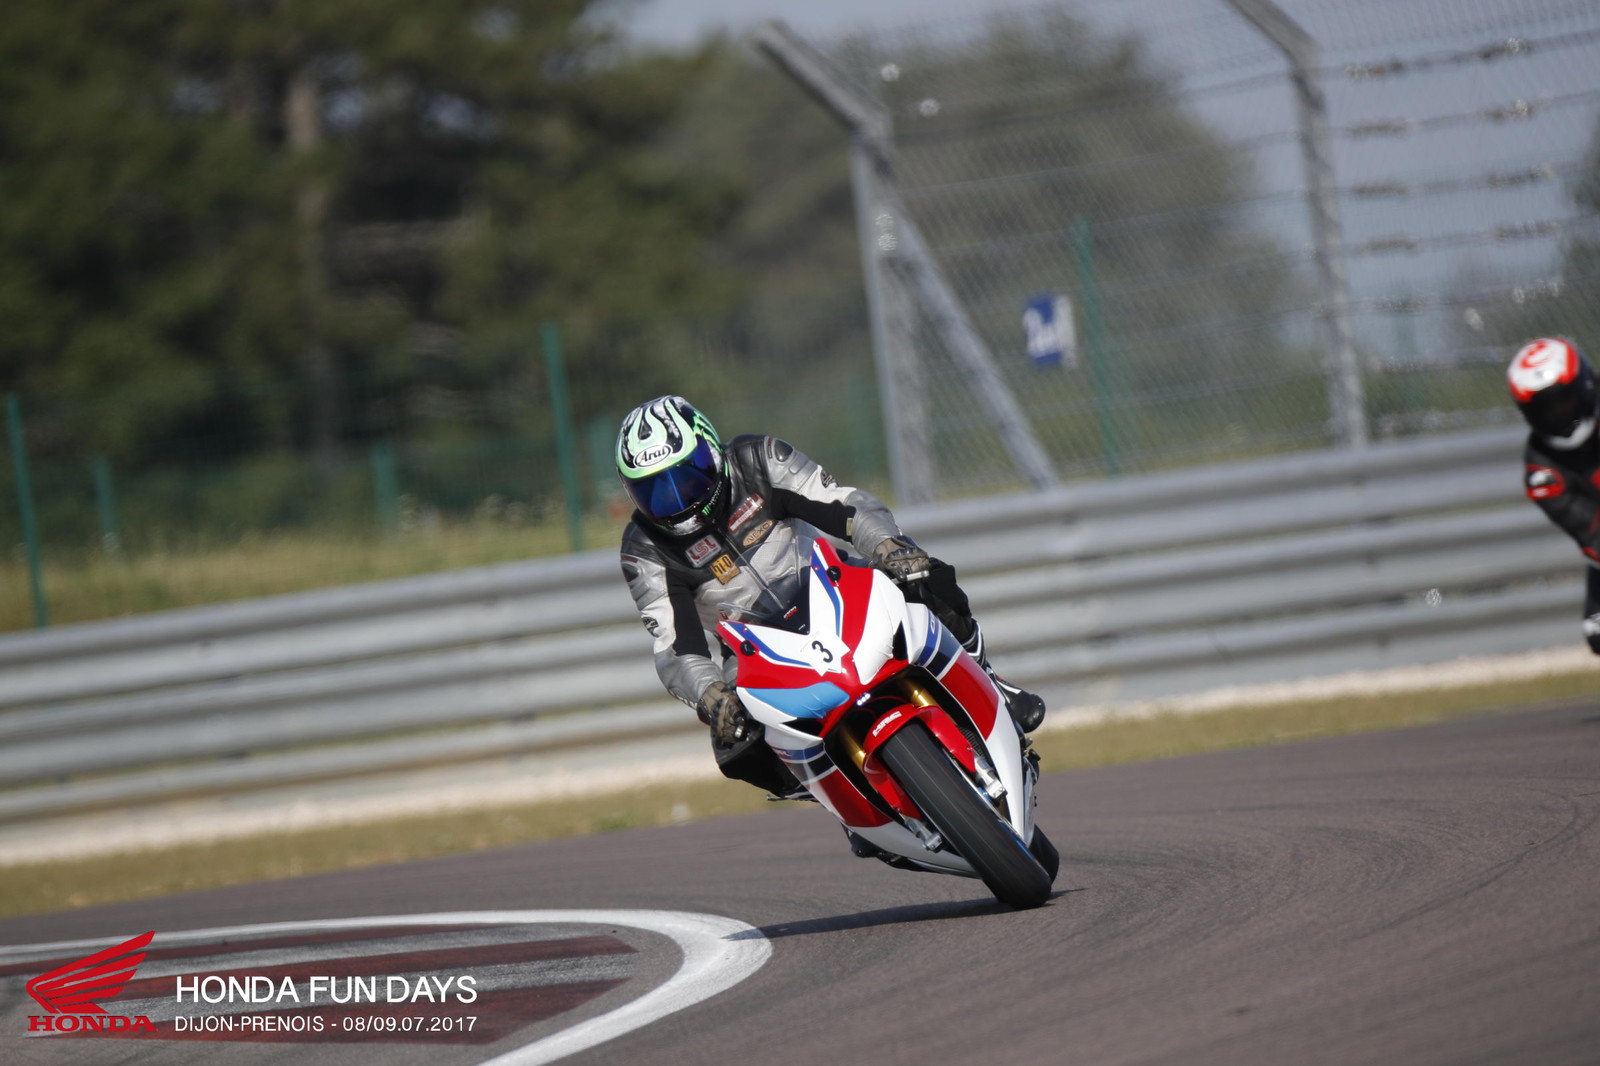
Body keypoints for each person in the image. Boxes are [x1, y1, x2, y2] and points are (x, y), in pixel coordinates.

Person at [615, 394, 1046, 801]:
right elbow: (675, 647)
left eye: (686, 477)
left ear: (711, 451)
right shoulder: (644, 549)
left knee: (924, 576)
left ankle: (990, 681)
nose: (676, 500)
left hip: (832, 585)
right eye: (654, 491)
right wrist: (710, 693)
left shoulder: (758, 459)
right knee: (734, 742)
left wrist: (886, 546)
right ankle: (838, 798)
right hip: (752, 646)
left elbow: (844, 504)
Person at [1508, 337, 1600, 654]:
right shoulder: (1542, 472)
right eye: (1545, 408)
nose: (1558, 413)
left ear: (1584, 384)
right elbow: (1591, 533)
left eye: (1564, 400)